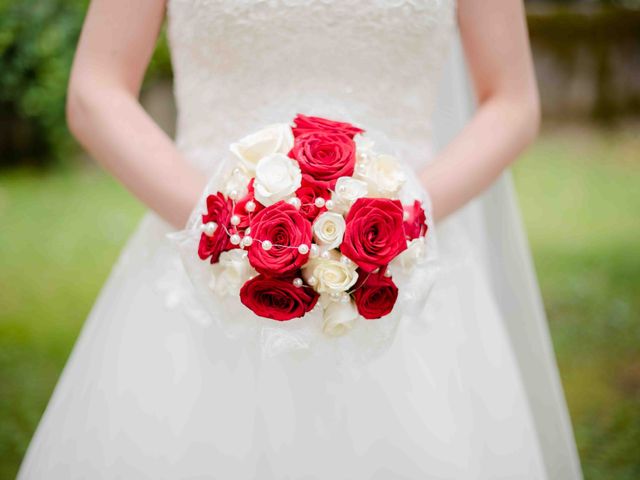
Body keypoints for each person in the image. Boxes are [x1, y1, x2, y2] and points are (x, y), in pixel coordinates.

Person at [18, 0, 582, 478]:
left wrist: (399, 222)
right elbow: (95, 91)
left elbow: (512, 101)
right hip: (205, 267)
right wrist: (230, 228)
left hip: (408, 278)